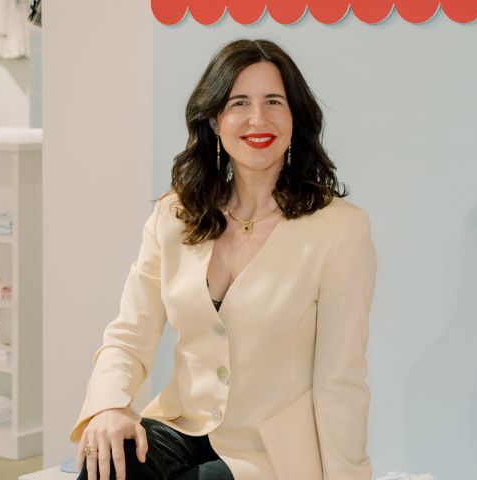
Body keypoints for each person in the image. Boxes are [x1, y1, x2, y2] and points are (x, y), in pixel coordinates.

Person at [71, 39, 378, 480]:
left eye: (274, 101)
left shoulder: (340, 229)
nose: (258, 118)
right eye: (239, 103)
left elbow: (340, 380)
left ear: (295, 117)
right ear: (215, 120)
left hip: (269, 454)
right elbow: (130, 334)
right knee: (106, 462)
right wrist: (109, 406)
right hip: (183, 425)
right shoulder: (175, 215)